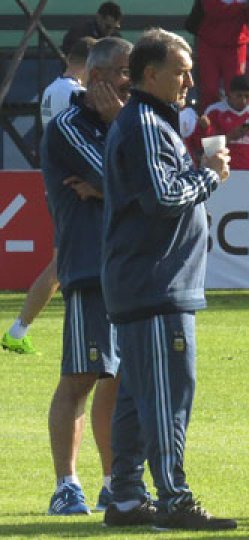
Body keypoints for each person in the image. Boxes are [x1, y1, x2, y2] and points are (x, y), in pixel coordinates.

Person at [100, 28, 235, 530]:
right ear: (150, 74)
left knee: (137, 397)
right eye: (181, 71)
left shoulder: (149, 122)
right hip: (155, 284)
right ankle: (174, 498)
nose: (190, 80)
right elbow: (162, 198)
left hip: (147, 282)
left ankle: (128, 498)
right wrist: (207, 175)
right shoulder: (145, 126)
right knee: (168, 397)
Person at [41, 36, 132, 517]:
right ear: (96, 78)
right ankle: (65, 485)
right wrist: (116, 184)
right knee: (80, 377)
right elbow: (138, 180)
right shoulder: (68, 126)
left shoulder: (131, 122)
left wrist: (111, 187)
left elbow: (154, 180)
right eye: (123, 71)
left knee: (116, 381)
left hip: (131, 267)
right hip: (90, 267)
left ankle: (113, 483)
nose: (131, 80)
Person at [1, 38, 98, 355]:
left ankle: (19, 330)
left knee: (65, 265)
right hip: (72, 187)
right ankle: (19, 330)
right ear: (90, 62)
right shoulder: (75, 94)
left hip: (58, 182)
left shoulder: (52, 90)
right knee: (63, 266)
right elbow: (78, 138)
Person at [203, 75, 249, 173]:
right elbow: (206, 148)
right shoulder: (214, 111)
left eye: (247, 96)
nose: (243, 100)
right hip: (222, 172)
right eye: (239, 96)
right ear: (229, 94)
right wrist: (229, 137)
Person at [195, 0, 249, 110]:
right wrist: (242, 6)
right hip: (209, 43)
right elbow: (213, 9)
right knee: (209, 90)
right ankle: (209, 123)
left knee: (235, 91)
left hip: (236, 45)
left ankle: (235, 122)